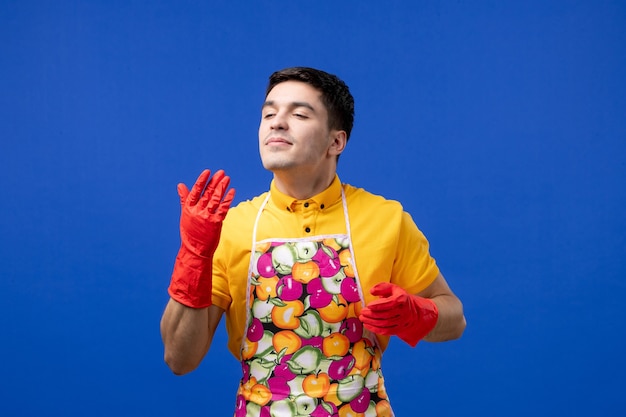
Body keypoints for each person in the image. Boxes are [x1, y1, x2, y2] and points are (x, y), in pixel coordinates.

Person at [160, 67, 466, 417]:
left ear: (336, 142)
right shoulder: (231, 226)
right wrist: (194, 255)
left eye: (299, 114)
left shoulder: (386, 219)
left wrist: (418, 314)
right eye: (269, 114)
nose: (277, 123)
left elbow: (454, 320)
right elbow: (179, 358)